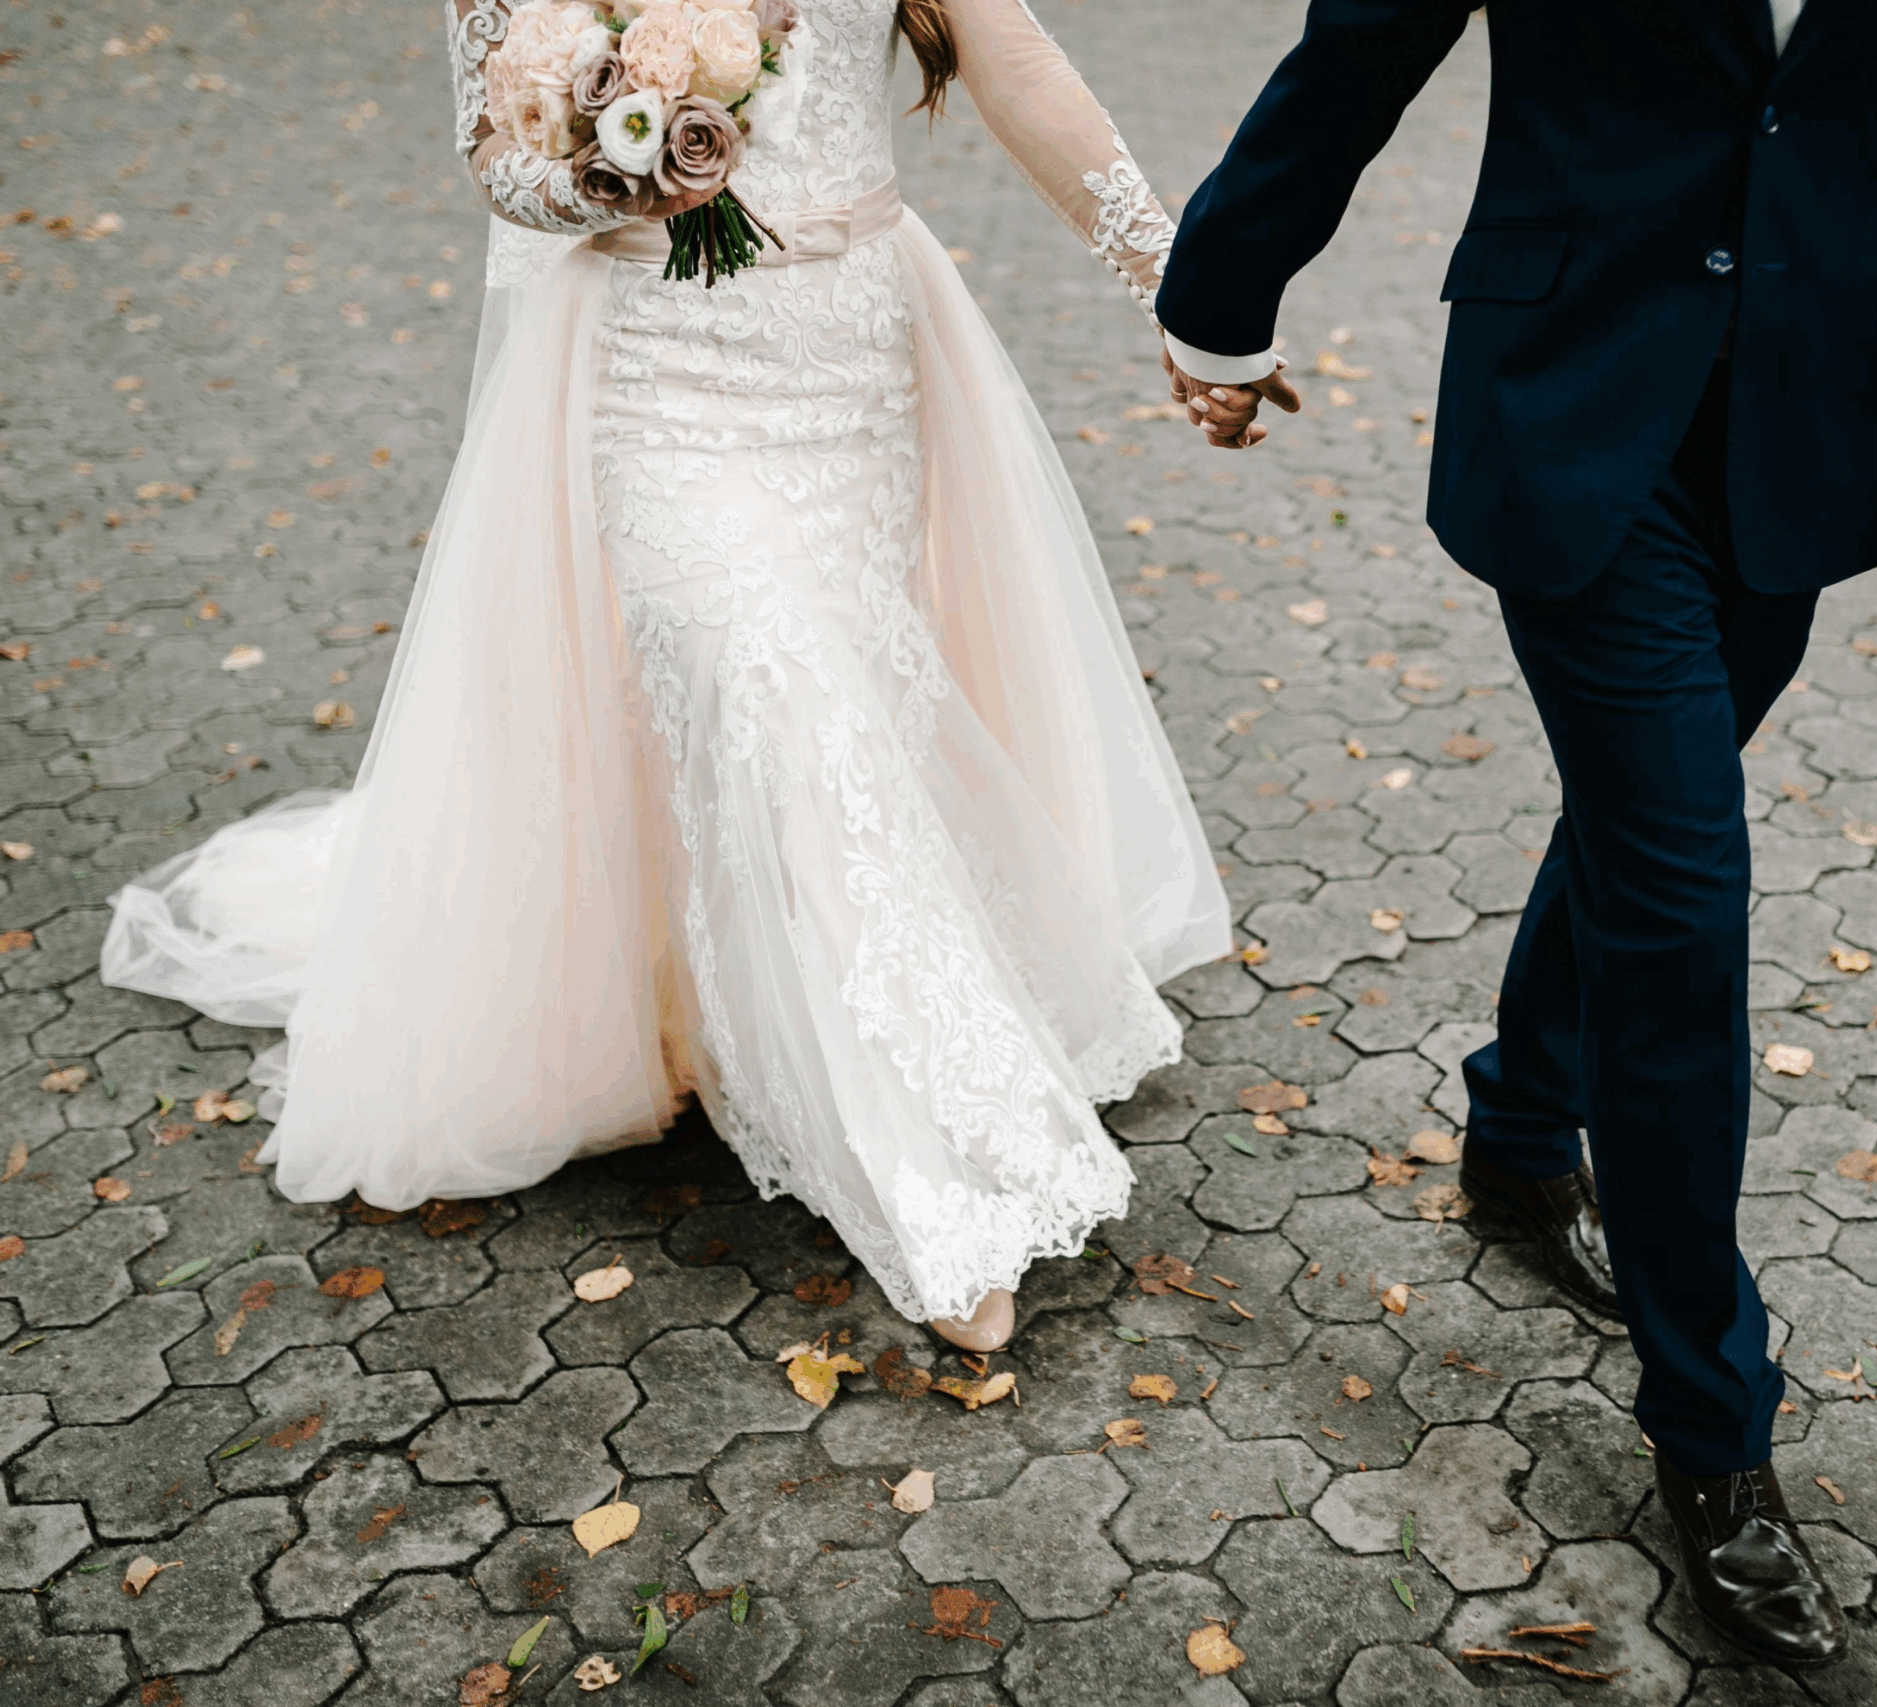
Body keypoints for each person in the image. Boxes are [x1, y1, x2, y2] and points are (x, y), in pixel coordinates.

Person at [1157, 0, 1877, 1666]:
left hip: (1818, 415)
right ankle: (1714, 1427)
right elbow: (1369, 32)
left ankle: (1520, 1118)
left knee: (1644, 839)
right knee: (1685, 897)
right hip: (1571, 396)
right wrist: (1223, 284)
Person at [99, 0, 1231, 1355]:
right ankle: (921, 1161)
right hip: (657, 363)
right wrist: (602, 171)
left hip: (855, 353)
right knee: (771, 689)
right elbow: (490, 148)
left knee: (849, 693)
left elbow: (1017, 62)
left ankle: (736, 995)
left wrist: (1179, 278)